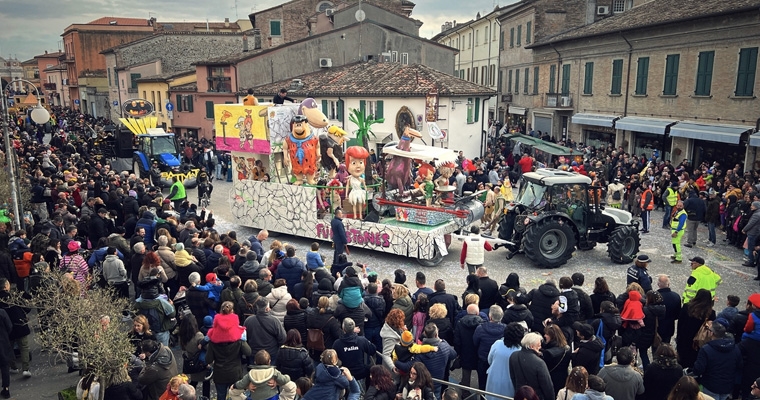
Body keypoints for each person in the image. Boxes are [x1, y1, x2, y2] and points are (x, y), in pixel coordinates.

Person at [693, 321, 742, 400]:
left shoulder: (706, 349)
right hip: (727, 386)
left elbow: (698, 369)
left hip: (710, 386)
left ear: (711, 333)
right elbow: (739, 365)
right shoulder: (735, 348)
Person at [509, 332, 554, 400]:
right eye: (538, 345)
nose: (540, 347)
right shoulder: (539, 363)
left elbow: (513, 378)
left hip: (519, 394)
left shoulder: (513, 356)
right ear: (531, 346)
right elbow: (547, 386)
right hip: (535, 396)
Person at [485, 322, 524, 400]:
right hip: (509, 384)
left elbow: (489, 360)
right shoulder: (520, 351)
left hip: (494, 378)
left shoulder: (497, 344)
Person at [333, 318, 376, 385]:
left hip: (345, 375)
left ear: (343, 328)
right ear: (353, 328)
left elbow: (334, 359)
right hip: (361, 373)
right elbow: (372, 350)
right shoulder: (362, 340)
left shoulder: (337, 344)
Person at [244, 297, 286, 365]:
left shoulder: (248, 321)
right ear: (267, 309)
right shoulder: (274, 321)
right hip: (271, 353)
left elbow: (245, 338)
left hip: (253, 353)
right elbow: (283, 338)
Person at [473, 305, 505, 390]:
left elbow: (475, 342)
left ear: (490, 317)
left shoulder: (480, 328)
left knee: (482, 383)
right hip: (497, 360)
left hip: (483, 359)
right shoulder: (505, 329)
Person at [541, 324, 572, 395]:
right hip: (563, 378)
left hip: (552, 379)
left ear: (552, 336)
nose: (544, 336)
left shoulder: (548, 353)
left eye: (547, 334)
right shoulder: (567, 348)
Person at [657, 274, 683, 345]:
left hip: (657, 327)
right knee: (666, 345)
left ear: (658, 284)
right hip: (669, 326)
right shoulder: (676, 296)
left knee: (656, 346)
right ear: (668, 284)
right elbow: (678, 314)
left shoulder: (655, 297)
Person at [0, 308, 12, 399]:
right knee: (5, 366)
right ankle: (6, 388)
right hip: (2, 341)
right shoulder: (2, 312)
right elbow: (9, 326)